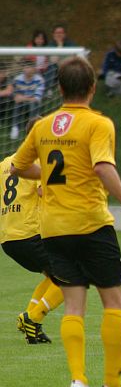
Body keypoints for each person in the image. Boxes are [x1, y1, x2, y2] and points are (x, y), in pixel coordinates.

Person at [11, 56, 121, 387]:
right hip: (91, 225)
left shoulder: (42, 125)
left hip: (53, 229)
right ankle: (113, 386)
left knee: (74, 306)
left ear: (59, 88)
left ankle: (79, 379)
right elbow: (103, 167)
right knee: (114, 302)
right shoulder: (98, 123)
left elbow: (17, 166)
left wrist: (48, 176)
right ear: (93, 88)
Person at [1, 117, 64, 344]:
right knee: (72, 275)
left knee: (53, 275)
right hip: (30, 233)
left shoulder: (4, 163)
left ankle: (27, 321)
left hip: (8, 238)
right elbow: (43, 192)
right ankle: (33, 317)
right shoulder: (38, 159)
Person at [10, 60, 44, 140]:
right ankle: (15, 128)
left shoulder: (39, 80)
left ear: (34, 69)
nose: (27, 69)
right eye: (26, 67)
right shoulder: (17, 79)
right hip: (21, 102)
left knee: (32, 105)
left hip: (33, 103)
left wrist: (23, 98)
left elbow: (37, 98)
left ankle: (31, 128)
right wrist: (27, 98)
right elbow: (16, 98)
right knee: (17, 105)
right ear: (23, 68)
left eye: (30, 67)